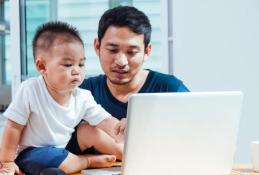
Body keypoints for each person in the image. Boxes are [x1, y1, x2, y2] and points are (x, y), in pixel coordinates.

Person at [0, 21, 125, 175]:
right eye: (67, 65)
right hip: (32, 154)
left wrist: (121, 128)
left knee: (90, 130)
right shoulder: (30, 90)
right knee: (57, 163)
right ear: (42, 67)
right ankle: (87, 161)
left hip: (62, 151)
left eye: (81, 64)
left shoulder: (83, 96)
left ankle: (125, 153)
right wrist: (7, 161)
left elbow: (105, 120)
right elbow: (13, 127)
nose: (76, 71)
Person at [67, 5, 189, 155]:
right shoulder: (81, 93)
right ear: (97, 46)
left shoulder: (170, 89)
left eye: (131, 52)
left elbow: (199, 137)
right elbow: (50, 149)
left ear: (147, 51)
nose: (121, 61)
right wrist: (89, 135)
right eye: (112, 50)